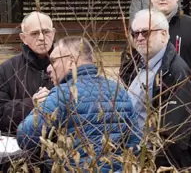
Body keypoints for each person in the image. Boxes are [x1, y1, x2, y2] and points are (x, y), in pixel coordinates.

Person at [17, 37, 140, 172]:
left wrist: (38, 107)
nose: (48, 68)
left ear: (71, 61)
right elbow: (135, 144)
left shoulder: (61, 95)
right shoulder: (118, 91)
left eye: (53, 61)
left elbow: (25, 137)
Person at [129, 9, 191, 170]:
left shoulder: (174, 72)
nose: (139, 38)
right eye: (135, 33)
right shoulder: (143, 65)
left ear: (163, 34)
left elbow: (174, 135)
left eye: (146, 33)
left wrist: (157, 164)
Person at [0, 11, 55, 135]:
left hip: (62, 145)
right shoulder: (7, 69)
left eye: (46, 32)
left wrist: (53, 101)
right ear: (23, 38)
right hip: (19, 142)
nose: (41, 38)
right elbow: (1, 113)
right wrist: (32, 104)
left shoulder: (68, 65)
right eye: (35, 33)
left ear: (53, 33)